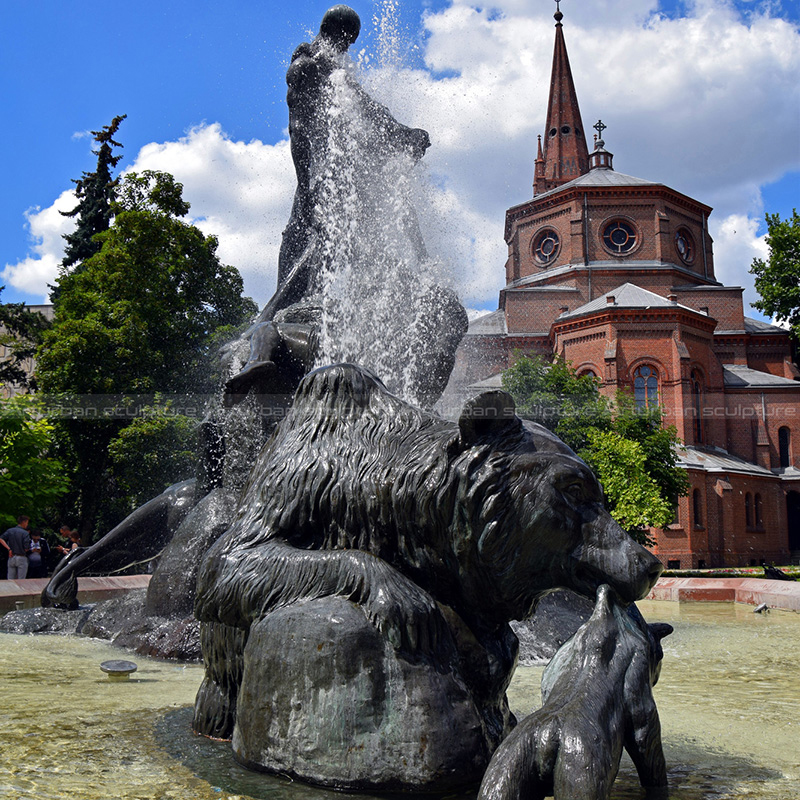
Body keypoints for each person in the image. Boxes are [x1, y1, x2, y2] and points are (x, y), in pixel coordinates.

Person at [1, 515, 32, 580]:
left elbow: (1, 539)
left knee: (10, 579)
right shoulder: (25, 533)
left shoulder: (10, 531)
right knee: (21, 580)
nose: (27, 524)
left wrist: (9, 549)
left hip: (11, 556)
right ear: (24, 522)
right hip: (21, 556)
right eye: (27, 522)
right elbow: (26, 548)